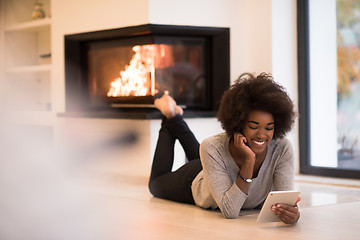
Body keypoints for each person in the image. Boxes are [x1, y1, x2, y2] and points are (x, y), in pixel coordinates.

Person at [148, 73, 300, 224]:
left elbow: (284, 202)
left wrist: (292, 214)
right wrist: (249, 161)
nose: (261, 135)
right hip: (194, 180)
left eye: (269, 128)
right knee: (155, 185)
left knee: (207, 153)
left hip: (216, 166)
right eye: (253, 127)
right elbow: (230, 211)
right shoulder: (213, 147)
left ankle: (175, 118)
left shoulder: (282, 148)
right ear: (238, 123)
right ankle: (170, 116)